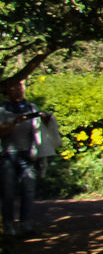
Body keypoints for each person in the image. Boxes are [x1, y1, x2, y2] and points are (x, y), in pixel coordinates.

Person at [0, 79, 52, 237]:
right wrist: (15, 122)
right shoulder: (3, 109)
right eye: (14, 87)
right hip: (8, 154)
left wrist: (47, 120)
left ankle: (26, 223)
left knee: (28, 189)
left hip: (28, 154)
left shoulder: (31, 107)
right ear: (7, 91)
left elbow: (38, 131)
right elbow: (2, 133)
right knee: (8, 191)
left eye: (20, 86)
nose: (18, 89)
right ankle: (8, 224)